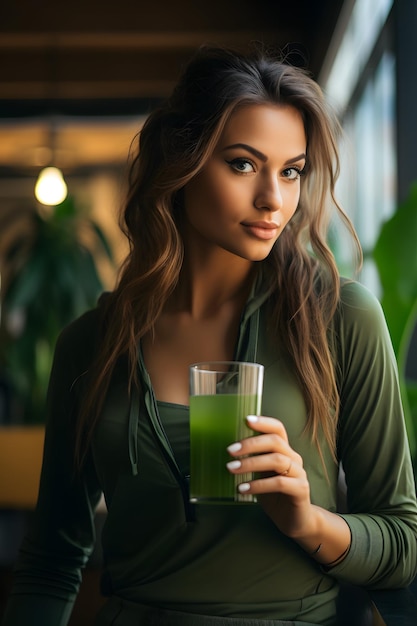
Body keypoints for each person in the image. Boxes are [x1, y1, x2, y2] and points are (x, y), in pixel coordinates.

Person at [2, 44, 417, 626]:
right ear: (183, 162)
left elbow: (401, 545)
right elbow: (51, 562)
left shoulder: (340, 319)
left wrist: (307, 519)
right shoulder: (90, 344)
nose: (275, 199)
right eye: (244, 164)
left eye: (291, 171)